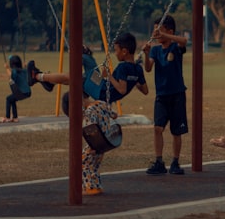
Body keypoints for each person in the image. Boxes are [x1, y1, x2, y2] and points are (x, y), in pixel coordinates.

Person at [30, 33, 148, 110]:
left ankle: (38, 76)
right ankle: (84, 55)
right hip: (102, 84)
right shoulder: (137, 69)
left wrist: (109, 76)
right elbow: (145, 90)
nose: (115, 53)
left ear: (124, 51)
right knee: (88, 64)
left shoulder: (123, 67)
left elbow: (122, 90)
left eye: (116, 50)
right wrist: (133, 80)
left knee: (73, 77)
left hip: (101, 91)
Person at [142, 15, 188, 176]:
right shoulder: (155, 49)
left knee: (176, 131)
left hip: (177, 94)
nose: (156, 34)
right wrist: (146, 54)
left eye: (159, 30)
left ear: (169, 31)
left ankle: (175, 162)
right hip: (161, 95)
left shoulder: (175, 47)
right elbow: (148, 68)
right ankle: (159, 161)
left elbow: (184, 41)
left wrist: (165, 35)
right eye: (155, 30)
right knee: (157, 128)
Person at [79, 58, 120, 196]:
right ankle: (97, 186)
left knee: (83, 162)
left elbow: (91, 129)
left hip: (95, 144)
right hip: (106, 142)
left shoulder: (89, 112)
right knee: (94, 167)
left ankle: (89, 187)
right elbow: (114, 115)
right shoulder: (101, 103)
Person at [0, 55, 31, 123]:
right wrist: (26, 67)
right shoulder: (25, 71)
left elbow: (12, 77)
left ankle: (7, 117)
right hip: (28, 92)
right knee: (12, 99)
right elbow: (25, 73)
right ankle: (15, 117)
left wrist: (7, 68)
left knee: (8, 99)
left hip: (21, 92)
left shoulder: (14, 71)